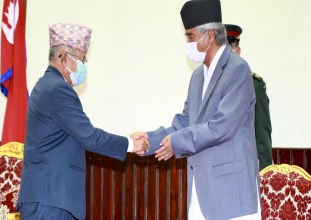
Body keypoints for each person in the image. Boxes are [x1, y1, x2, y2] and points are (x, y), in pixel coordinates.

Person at [132, 1, 261, 219]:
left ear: (209, 36)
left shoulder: (238, 70)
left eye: (190, 37)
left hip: (231, 196)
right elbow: (184, 122)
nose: (188, 44)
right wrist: (149, 140)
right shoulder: (197, 76)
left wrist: (177, 142)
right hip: (200, 194)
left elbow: (222, 128)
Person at [17, 23, 148, 220]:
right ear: (63, 58)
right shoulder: (57, 89)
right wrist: (131, 144)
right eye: (81, 59)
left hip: (49, 199)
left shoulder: (47, 85)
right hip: (51, 200)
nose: (83, 66)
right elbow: (89, 137)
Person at [225, 24, 272, 171]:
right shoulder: (206, 85)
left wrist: (264, 173)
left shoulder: (253, 85)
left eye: (230, 52)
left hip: (243, 170)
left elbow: (262, 135)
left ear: (238, 52)